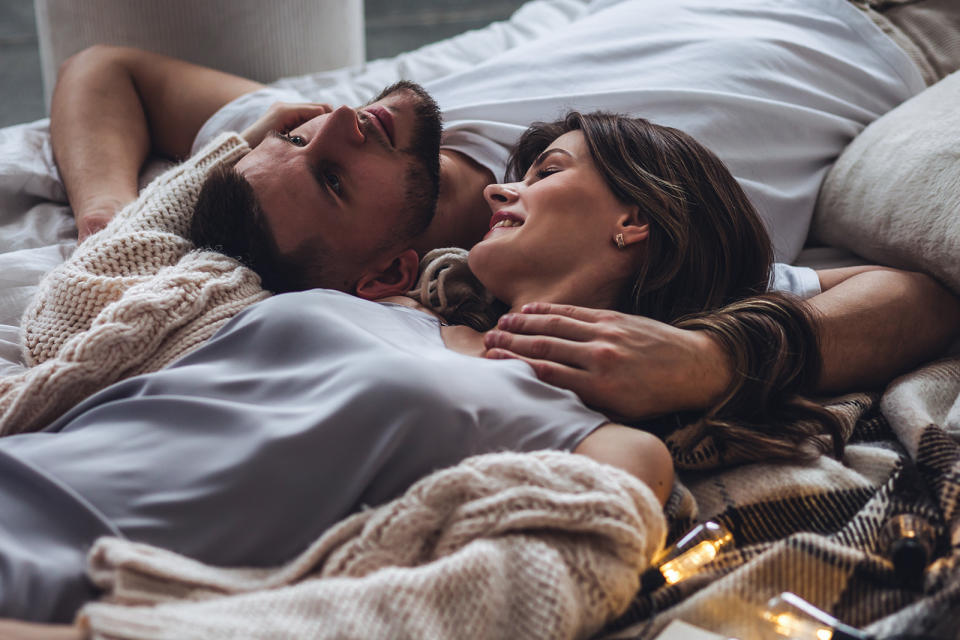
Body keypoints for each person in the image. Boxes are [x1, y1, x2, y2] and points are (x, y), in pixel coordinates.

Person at [0, 107, 874, 628]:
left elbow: (490, 603)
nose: (499, 190)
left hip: (56, 582)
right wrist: (261, 139)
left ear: (635, 221)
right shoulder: (386, 295)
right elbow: (103, 288)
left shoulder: (612, 448)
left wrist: (718, 356)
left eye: (547, 172)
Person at [46, 0, 960, 425]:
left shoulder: (362, 123)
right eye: (331, 176)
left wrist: (110, 226)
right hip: (892, 30)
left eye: (297, 139)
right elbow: (923, 300)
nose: (334, 128)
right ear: (392, 274)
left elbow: (108, 69)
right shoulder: (601, 254)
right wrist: (718, 357)